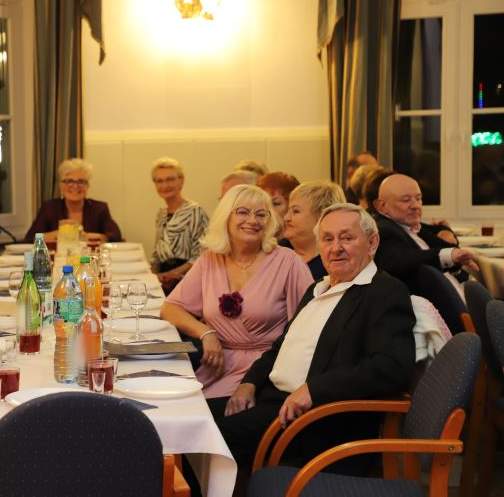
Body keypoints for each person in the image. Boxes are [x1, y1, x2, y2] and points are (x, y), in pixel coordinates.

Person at [214, 204, 416, 491]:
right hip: (271, 398)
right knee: (192, 418)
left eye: (347, 238)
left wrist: (315, 389)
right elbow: (281, 347)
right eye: (328, 239)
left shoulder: (384, 291)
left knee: (202, 440)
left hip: (315, 420)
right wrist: (249, 382)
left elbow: (391, 367)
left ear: (372, 243)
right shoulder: (317, 289)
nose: (336, 248)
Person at [161, 185, 313, 399]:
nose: (252, 220)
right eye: (243, 212)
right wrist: (205, 332)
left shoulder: (288, 262)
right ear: (226, 217)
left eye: (261, 214)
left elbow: (309, 328)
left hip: (266, 373)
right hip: (217, 367)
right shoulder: (210, 260)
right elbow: (170, 308)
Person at [373, 174, 476, 299]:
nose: (416, 205)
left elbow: (445, 241)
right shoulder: (383, 229)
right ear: (382, 206)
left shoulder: (408, 225)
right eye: (406, 200)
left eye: (418, 198)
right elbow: (403, 259)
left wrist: (455, 254)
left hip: (458, 293)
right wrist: (448, 255)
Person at [24, 158, 122, 244]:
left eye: (81, 181)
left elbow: (115, 236)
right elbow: (30, 239)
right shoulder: (49, 208)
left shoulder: (99, 208)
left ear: (87, 186)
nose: (75, 186)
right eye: (69, 181)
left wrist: (87, 237)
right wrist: (57, 235)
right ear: (61, 185)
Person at [150, 157, 209, 294]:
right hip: (163, 281)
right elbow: (157, 253)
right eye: (159, 181)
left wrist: (174, 273)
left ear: (181, 180)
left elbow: (203, 254)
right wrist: (153, 275)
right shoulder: (161, 214)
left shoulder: (195, 211)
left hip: (187, 281)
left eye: (170, 179)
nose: (165, 185)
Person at [280, 181, 346, 281]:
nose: (286, 218)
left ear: (322, 216)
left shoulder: (334, 262)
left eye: (296, 211)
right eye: (288, 210)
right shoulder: (278, 249)